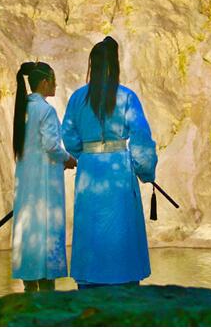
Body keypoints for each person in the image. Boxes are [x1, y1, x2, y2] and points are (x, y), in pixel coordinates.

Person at [61, 36, 158, 289]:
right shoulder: (126, 97)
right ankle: (124, 286)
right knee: (120, 227)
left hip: (89, 170)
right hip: (118, 169)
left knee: (90, 228)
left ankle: (89, 285)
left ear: (92, 64)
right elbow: (141, 138)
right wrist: (145, 171)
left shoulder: (78, 98)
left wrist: (84, 153)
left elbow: (68, 136)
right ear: (114, 64)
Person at [11, 61, 76, 292]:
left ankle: (29, 291)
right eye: (54, 81)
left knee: (28, 230)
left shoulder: (23, 109)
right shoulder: (46, 110)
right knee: (46, 231)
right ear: (45, 82)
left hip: (26, 184)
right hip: (45, 186)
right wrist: (68, 158)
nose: (55, 85)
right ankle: (48, 296)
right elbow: (51, 146)